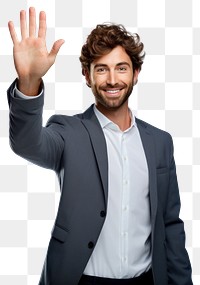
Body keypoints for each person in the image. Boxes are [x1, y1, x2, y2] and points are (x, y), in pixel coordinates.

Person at [7, 7, 193, 285]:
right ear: (87, 75)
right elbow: (26, 144)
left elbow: (170, 224)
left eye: (121, 68)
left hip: (146, 279)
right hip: (81, 279)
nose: (113, 79)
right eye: (102, 69)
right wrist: (29, 82)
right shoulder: (68, 132)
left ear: (136, 73)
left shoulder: (160, 142)